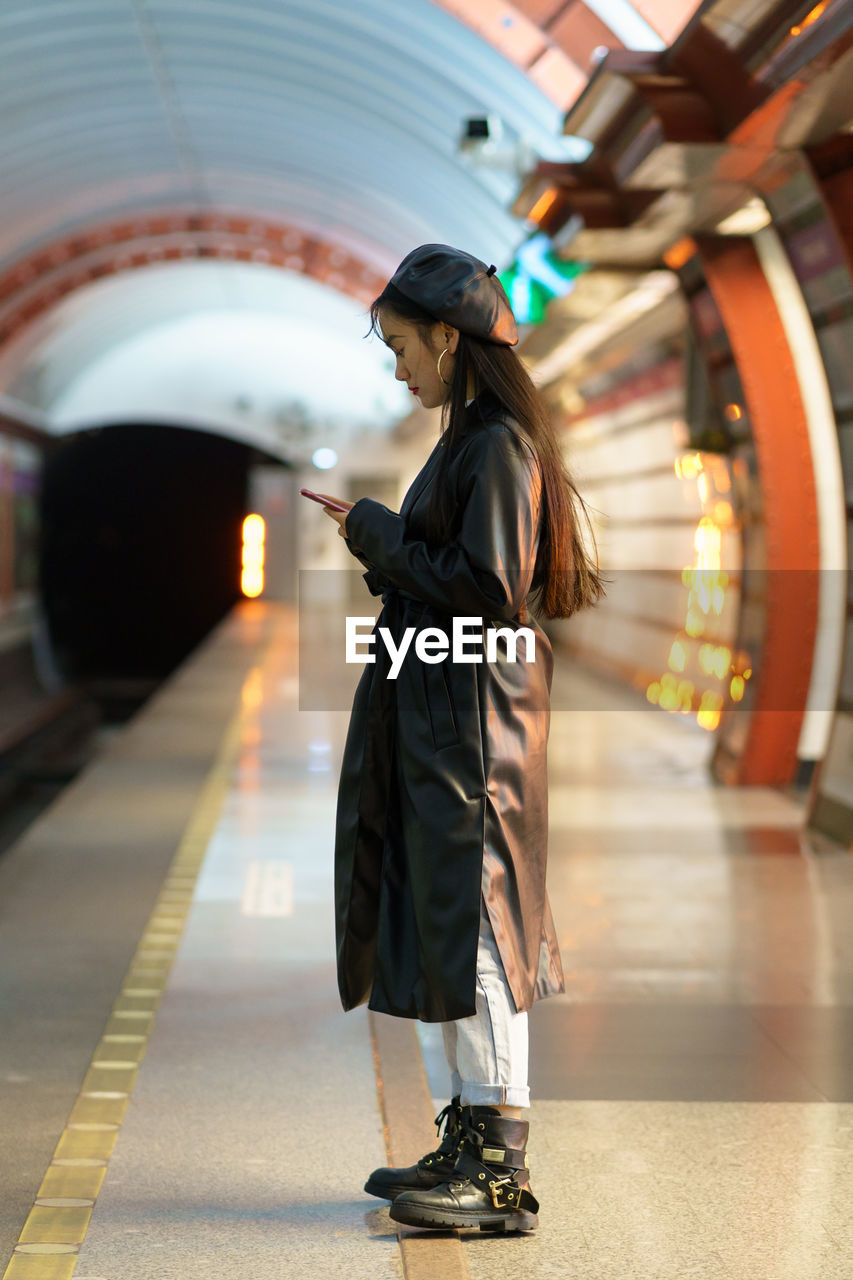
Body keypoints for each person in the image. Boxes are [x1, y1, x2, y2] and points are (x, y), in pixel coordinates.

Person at [315, 243, 604, 1233]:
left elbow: (483, 583)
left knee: (477, 928)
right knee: (455, 919)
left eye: (401, 347)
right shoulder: (474, 439)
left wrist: (375, 534)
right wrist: (386, 544)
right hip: (454, 720)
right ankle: (469, 1138)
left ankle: (496, 1166)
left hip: (472, 728)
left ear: (446, 335)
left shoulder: (493, 446)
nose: (397, 367)